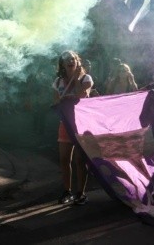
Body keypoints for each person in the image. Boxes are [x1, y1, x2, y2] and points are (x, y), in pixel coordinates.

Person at [53, 50, 92, 205]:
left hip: (82, 124)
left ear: (77, 62)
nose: (70, 61)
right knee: (64, 159)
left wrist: (75, 79)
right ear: (62, 64)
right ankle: (67, 191)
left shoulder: (85, 78)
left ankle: (80, 193)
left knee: (80, 160)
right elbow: (55, 102)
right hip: (65, 123)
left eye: (73, 59)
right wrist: (61, 100)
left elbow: (82, 95)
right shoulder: (57, 82)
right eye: (66, 59)